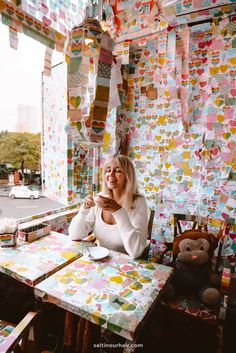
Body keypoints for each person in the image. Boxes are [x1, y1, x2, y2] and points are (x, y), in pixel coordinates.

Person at [69, 154, 148, 259]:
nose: (111, 174)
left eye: (118, 170)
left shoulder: (138, 202)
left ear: (127, 176)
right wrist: (84, 209)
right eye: (108, 170)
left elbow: (136, 251)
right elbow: (74, 235)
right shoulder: (100, 199)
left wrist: (119, 212)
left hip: (128, 264)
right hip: (102, 261)